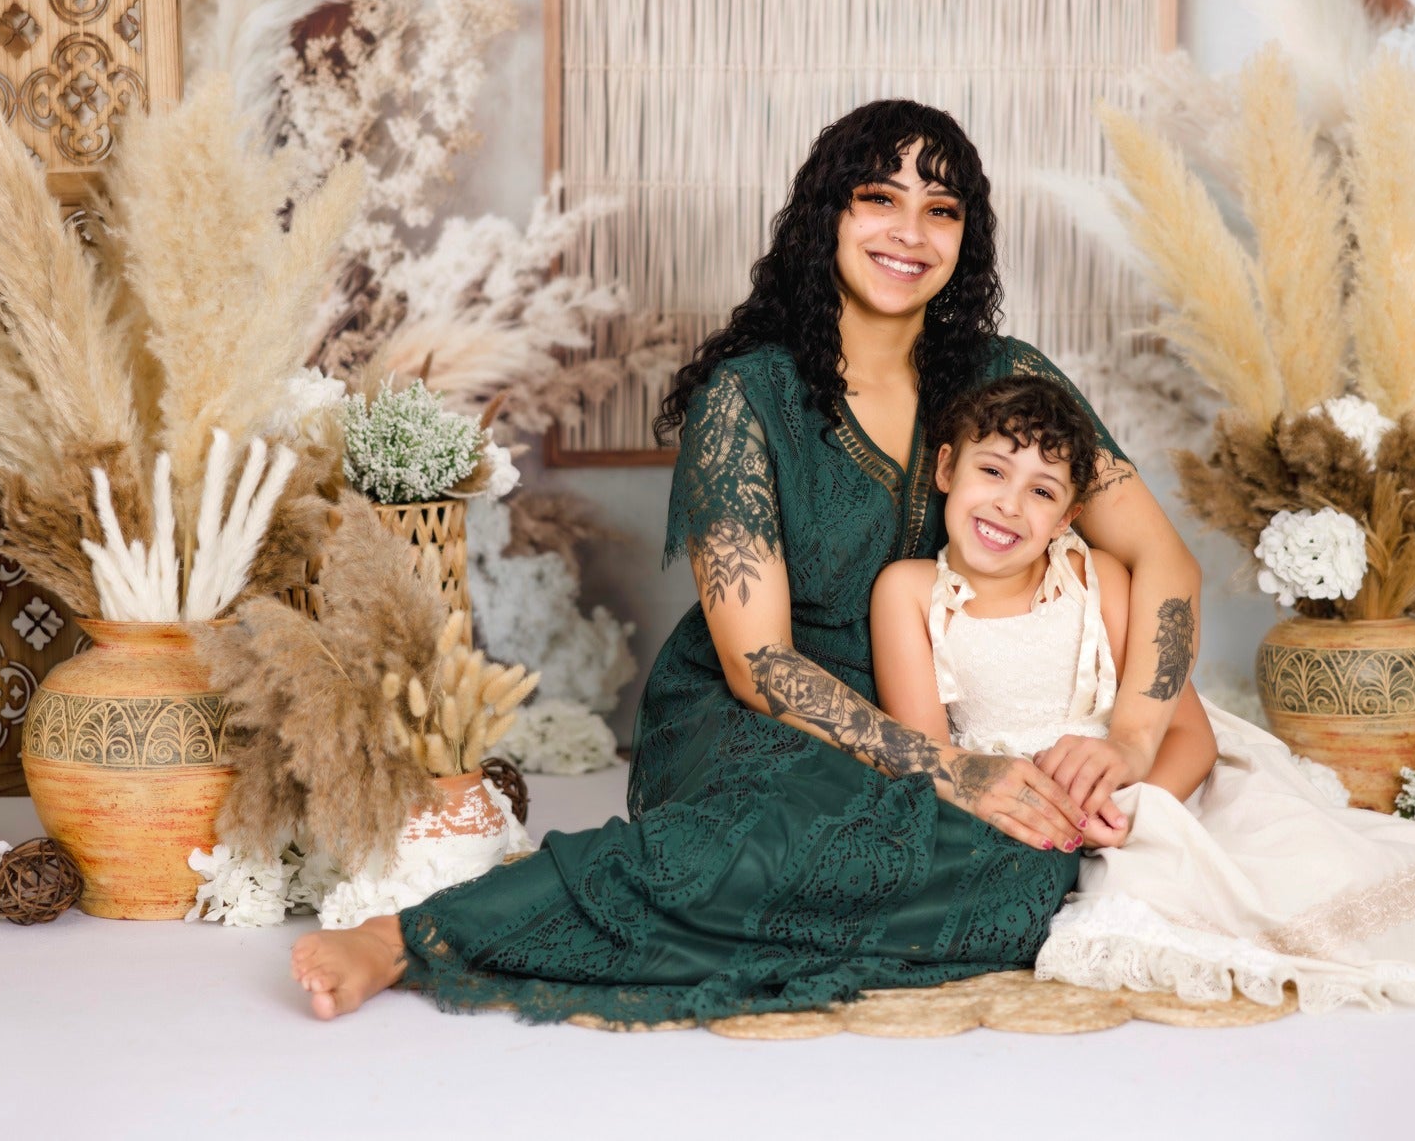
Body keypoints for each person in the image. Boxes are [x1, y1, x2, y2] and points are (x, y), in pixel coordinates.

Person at [290, 99, 1206, 1023]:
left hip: (944, 702)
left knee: (1020, 870)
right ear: (828, 216)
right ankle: (406, 936)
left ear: (967, 237)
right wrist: (951, 772)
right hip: (766, 713)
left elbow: (1163, 561)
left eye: (942, 209)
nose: (909, 231)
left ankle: (752, 916)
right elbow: (757, 663)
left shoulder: (1010, 382)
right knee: (746, 849)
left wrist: (1130, 738)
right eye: (878, 198)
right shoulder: (747, 396)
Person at [870, 374, 1415, 1013]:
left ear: (1068, 516)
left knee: (1311, 862)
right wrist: (1055, 815)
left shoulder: (1095, 578)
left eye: (1041, 491)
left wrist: (1138, 813)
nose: (1008, 504)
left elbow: (1191, 737)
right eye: (992, 472)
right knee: (1146, 921)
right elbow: (930, 756)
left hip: (1163, 788)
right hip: (1029, 805)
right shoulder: (909, 593)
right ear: (945, 470)